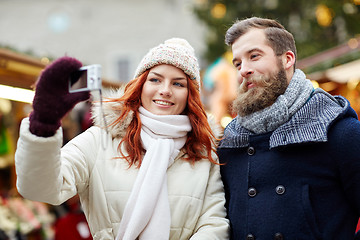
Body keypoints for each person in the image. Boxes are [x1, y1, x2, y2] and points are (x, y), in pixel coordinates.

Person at [14, 38, 230, 239]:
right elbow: (39, 188)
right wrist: (43, 126)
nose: (165, 90)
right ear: (140, 86)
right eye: (155, 79)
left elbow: (213, 223)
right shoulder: (101, 139)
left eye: (178, 84)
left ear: (190, 95)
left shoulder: (203, 151)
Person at [217, 17, 360, 240]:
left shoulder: (339, 132)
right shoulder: (230, 143)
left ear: (287, 59)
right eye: (238, 63)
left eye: (254, 56)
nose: (244, 70)